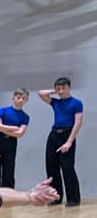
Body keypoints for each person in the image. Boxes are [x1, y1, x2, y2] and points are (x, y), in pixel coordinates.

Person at [38, 77, 84, 207]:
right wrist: (56, 90)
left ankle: (73, 198)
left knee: (67, 168)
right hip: (54, 135)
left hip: (67, 134)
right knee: (52, 168)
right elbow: (41, 93)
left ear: (69, 87)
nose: (61, 91)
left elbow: (78, 123)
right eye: (59, 88)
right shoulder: (55, 102)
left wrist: (69, 142)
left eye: (64, 88)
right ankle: (56, 197)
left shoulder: (76, 103)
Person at [0, 89, 30, 188]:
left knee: (9, 171)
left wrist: (2, 128)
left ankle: (8, 194)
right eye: (18, 97)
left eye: (23, 98)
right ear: (13, 98)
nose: (20, 100)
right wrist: (13, 128)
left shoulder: (25, 117)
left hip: (10, 143)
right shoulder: (3, 110)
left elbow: (19, 134)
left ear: (26, 100)